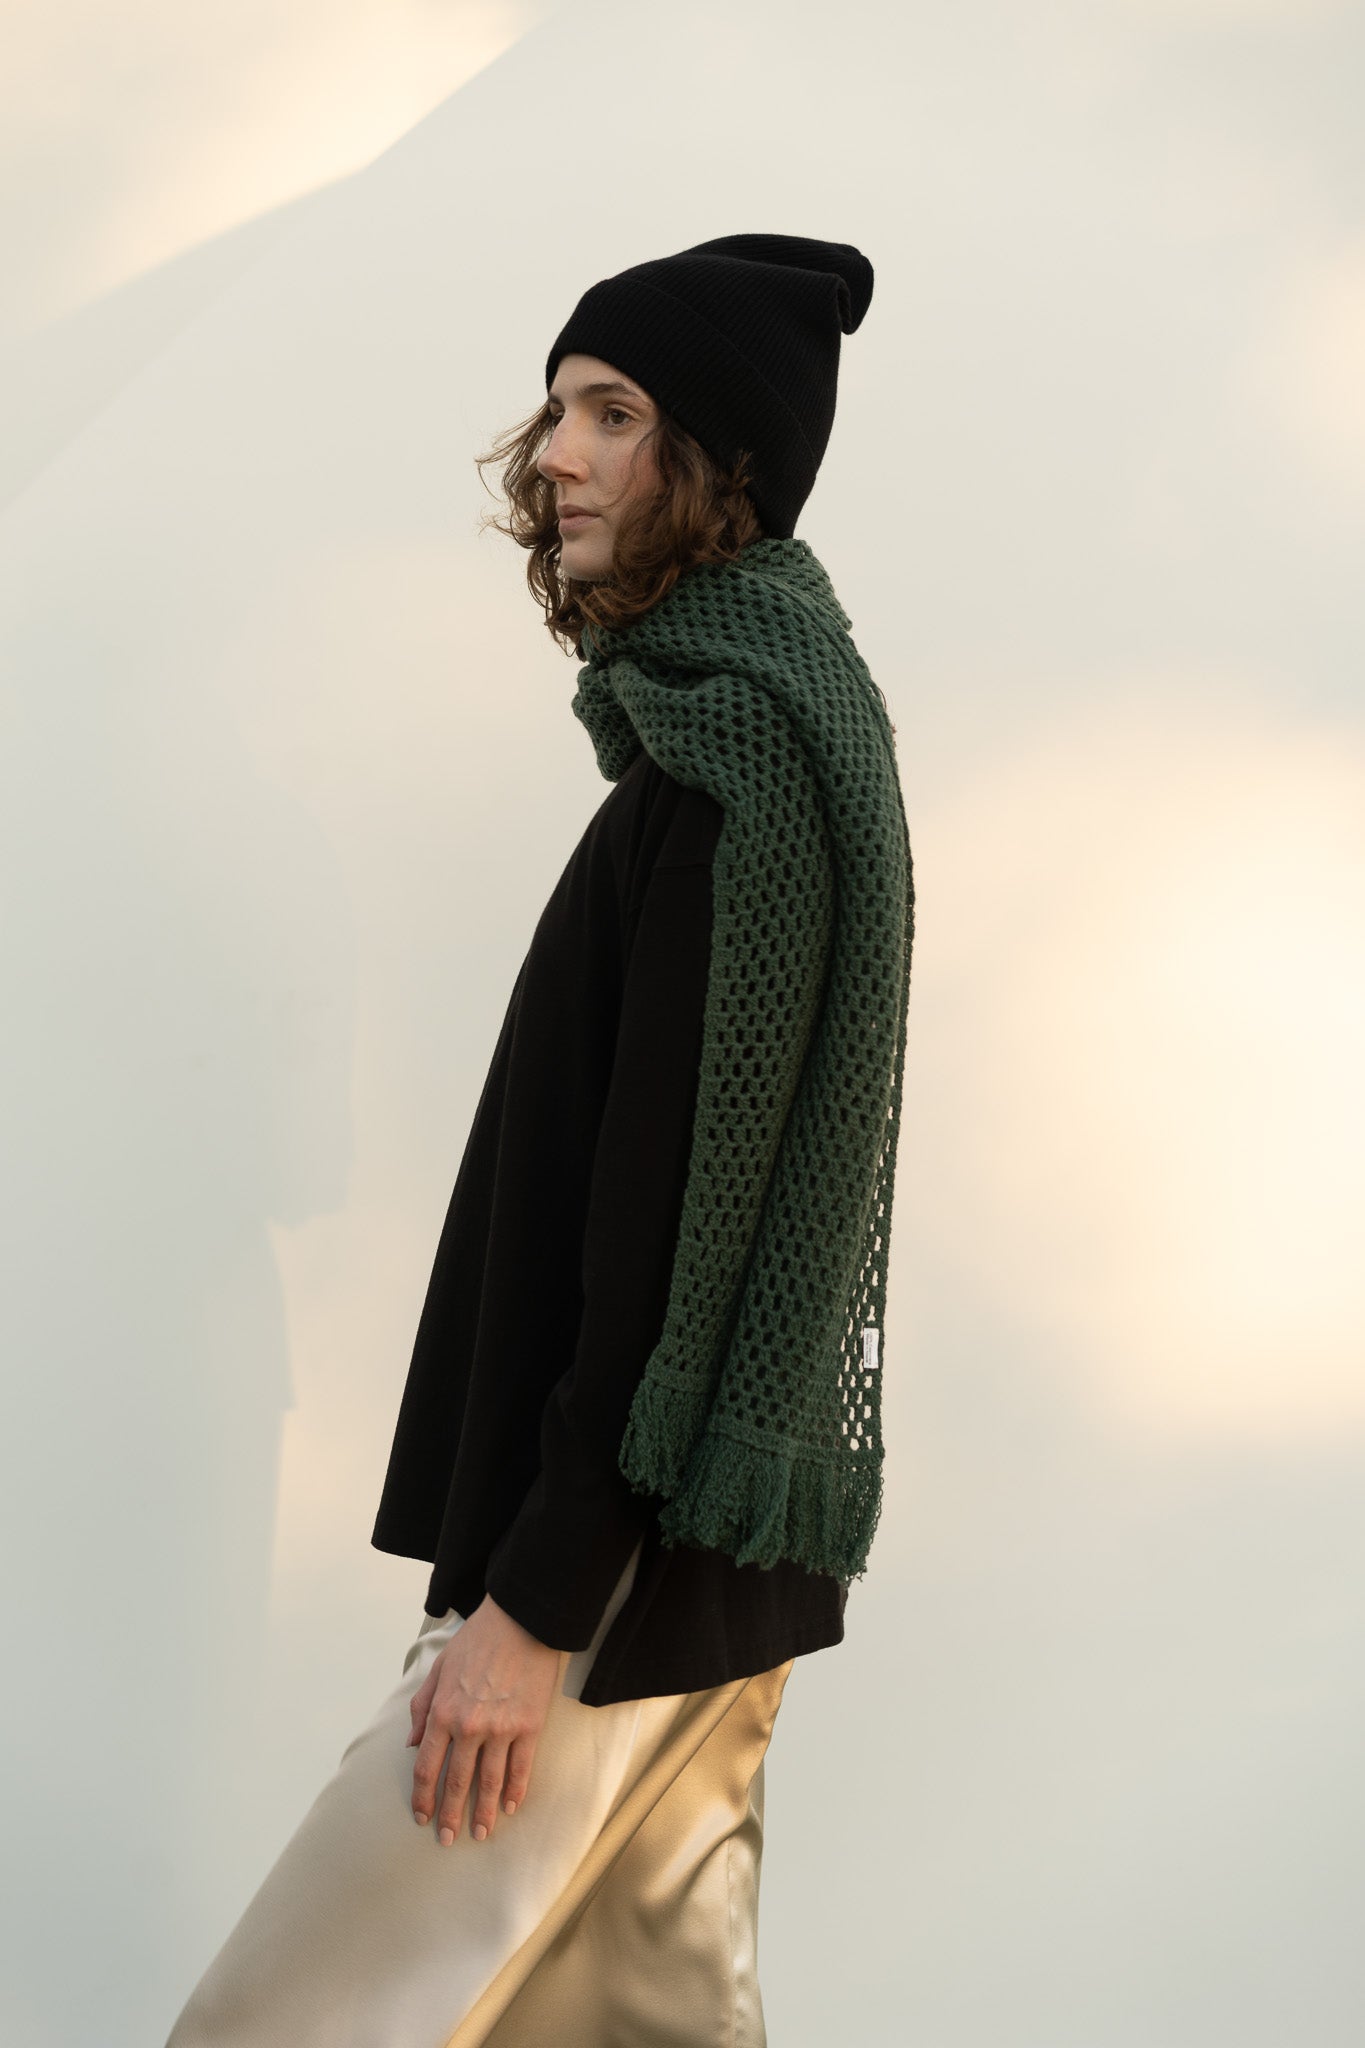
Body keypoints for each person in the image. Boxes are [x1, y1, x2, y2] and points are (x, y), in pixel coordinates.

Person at [164, 231, 914, 2048]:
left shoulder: (739, 779)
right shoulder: (749, 740)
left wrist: (533, 1602)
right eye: (560, 406)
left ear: (720, 462)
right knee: (632, 2026)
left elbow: (667, 1236)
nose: (555, 454)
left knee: (282, 2026)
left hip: (610, 1577)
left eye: (614, 411)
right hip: (689, 1572)